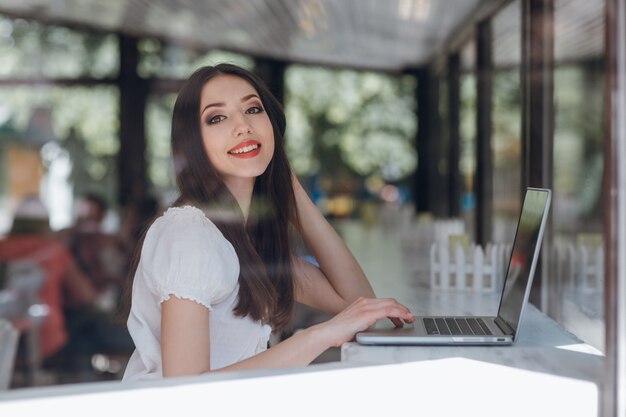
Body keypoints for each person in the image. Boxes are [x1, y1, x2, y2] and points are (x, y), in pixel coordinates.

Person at [121, 63, 414, 381]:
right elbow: (186, 389)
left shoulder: (242, 236)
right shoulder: (190, 235)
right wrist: (320, 335)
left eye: (253, 109)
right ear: (192, 144)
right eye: (217, 117)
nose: (243, 126)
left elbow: (356, 301)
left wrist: (291, 190)